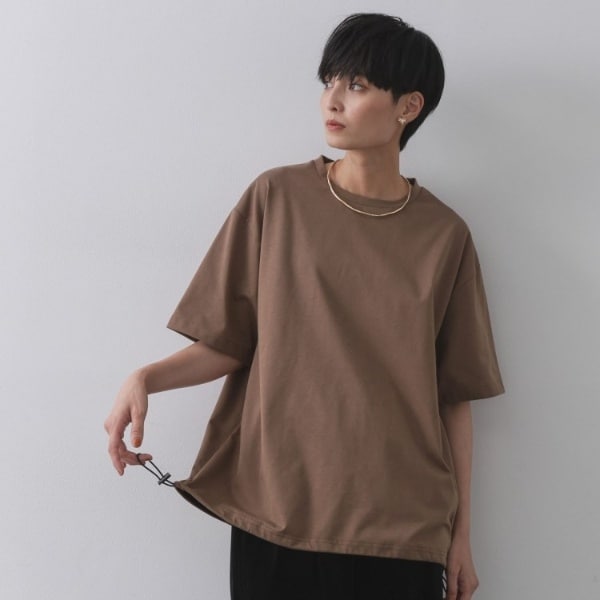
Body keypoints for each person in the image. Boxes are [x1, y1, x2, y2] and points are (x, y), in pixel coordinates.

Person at [104, 13, 504, 600]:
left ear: (409, 106)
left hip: (400, 527)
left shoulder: (446, 236)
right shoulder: (277, 198)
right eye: (329, 82)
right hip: (278, 513)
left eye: (357, 85)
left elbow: (454, 397)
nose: (332, 100)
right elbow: (229, 343)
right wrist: (144, 378)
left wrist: (461, 535)